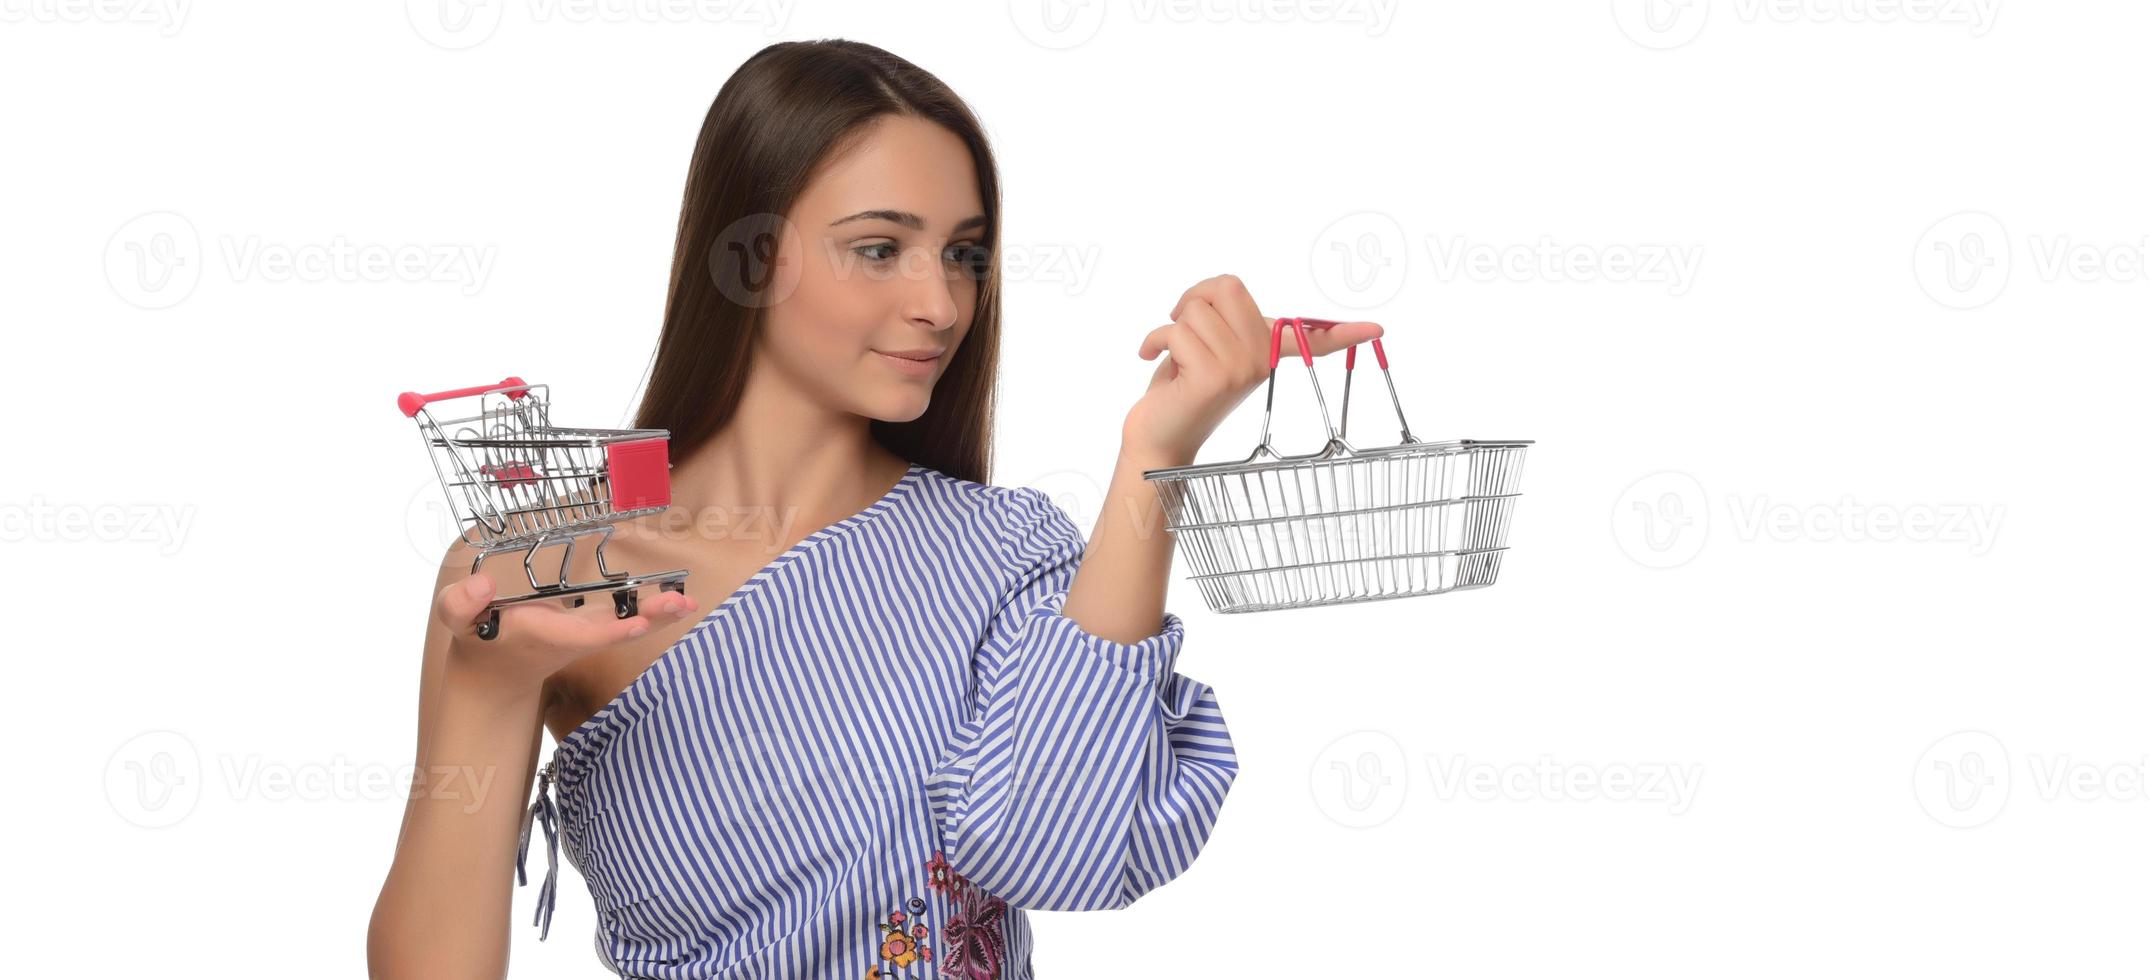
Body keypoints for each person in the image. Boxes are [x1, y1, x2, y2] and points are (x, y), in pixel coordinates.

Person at [367, 38, 1382, 980]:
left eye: (965, 254)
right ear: (753, 259)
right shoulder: (547, 568)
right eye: (879, 248)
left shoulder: (1005, 548)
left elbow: (1063, 845)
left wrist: (1154, 454)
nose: (940, 303)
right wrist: (490, 688)